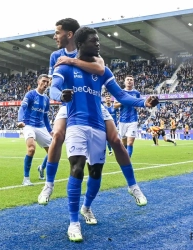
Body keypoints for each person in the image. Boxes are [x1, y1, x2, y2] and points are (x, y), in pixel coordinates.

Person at [50, 26, 155, 242]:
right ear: (80, 44)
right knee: (77, 168)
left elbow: (121, 95)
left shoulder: (102, 70)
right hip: (76, 125)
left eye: (98, 41)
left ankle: (86, 208)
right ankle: (73, 223)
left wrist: (143, 102)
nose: (98, 44)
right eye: (93, 41)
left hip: (98, 125)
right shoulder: (65, 67)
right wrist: (61, 95)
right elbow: (54, 88)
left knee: (95, 173)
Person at [17, 74, 52, 186]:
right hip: (29, 124)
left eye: (47, 82)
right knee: (31, 148)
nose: (45, 84)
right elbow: (22, 107)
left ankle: (41, 167)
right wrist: (19, 120)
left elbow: (45, 117)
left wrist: (50, 130)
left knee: (53, 151)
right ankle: (26, 179)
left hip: (41, 126)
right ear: (38, 82)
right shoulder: (31, 94)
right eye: (43, 81)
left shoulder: (46, 99)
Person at [114, 75, 140, 158]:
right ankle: (125, 158)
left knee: (130, 142)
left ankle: (127, 161)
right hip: (122, 121)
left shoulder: (137, 93)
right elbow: (115, 106)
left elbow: (139, 105)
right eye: (128, 80)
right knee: (124, 142)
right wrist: (124, 101)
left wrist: (137, 105)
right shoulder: (120, 93)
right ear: (125, 82)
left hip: (133, 120)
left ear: (133, 82)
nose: (129, 81)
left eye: (131, 80)